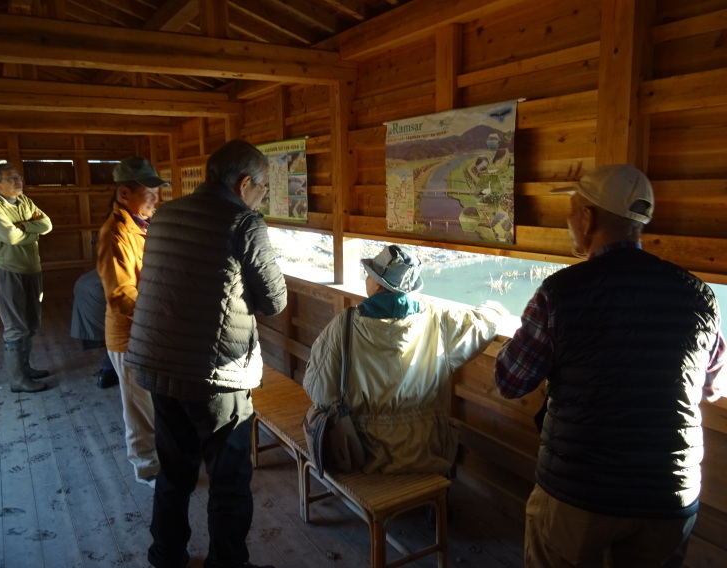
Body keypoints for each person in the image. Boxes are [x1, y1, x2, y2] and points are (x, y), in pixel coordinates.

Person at [494, 164, 726, 568]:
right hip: (669, 493)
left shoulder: (560, 293)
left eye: (572, 210)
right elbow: (711, 387)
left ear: (588, 217)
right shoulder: (699, 295)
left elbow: (510, 380)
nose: (568, 221)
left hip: (579, 490)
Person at [125, 139, 287, 568]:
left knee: (175, 473)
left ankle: (166, 556)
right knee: (229, 480)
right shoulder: (244, 222)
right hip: (215, 373)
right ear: (245, 182)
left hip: (158, 364)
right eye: (263, 187)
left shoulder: (167, 214)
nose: (262, 196)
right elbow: (274, 301)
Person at [304, 245, 507, 475]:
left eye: (368, 275)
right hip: (425, 452)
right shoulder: (438, 322)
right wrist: (492, 307)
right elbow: (486, 323)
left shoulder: (344, 325)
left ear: (378, 284)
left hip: (361, 454)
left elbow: (317, 390)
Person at [96, 157, 166, 486]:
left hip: (149, 330)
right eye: (150, 195)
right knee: (139, 408)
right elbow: (122, 294)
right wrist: (159, 318)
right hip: (129, 334)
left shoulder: (140, 226)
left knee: (151, 402)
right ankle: (147, 467)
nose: (157, 201)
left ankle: (158, 457)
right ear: (124, 193)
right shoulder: (115, 234)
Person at [0, 162, 53, 393]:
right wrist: (32, 232)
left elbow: (47, 225)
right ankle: (17, 380)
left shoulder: (25, 202)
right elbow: (10, 237)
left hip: (32, 268)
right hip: (10, 271)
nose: (17, 181)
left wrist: (22, 226)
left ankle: (26, 369)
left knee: (32, 323)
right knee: (15, 326)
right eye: (10, 178)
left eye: (18, 176)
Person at [70, 267, 118, 389]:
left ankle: (108, 372)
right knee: (121, 330)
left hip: (86, 283)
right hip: (98, 288)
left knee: (114, 330)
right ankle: (109, 372)